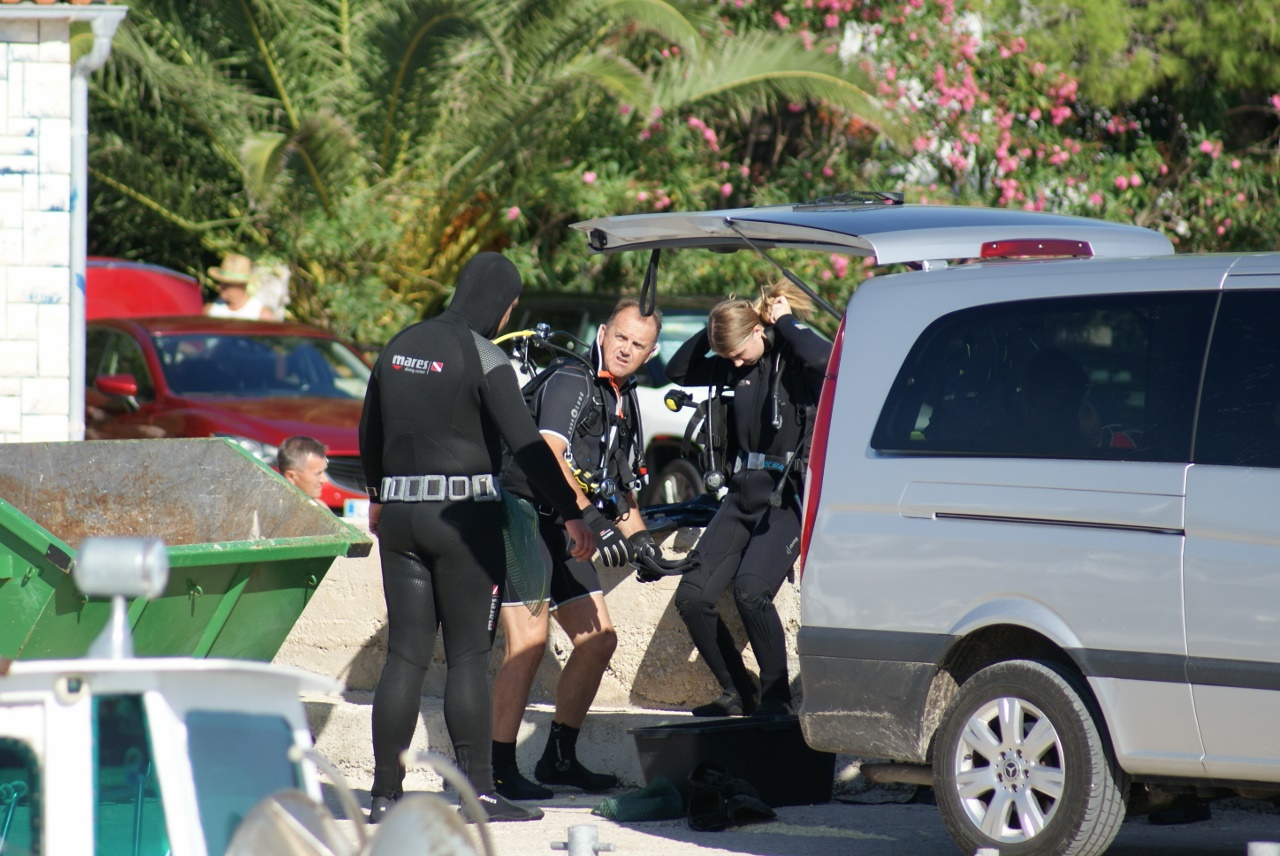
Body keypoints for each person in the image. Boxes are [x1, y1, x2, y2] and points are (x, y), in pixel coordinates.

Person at [358, 252, 596, 824]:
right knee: (467, 656)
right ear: (503, 305)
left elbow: (369, 429)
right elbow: (528, 445)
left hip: (401, 515)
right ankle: (479, 795)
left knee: (405, 656)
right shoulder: (485, 354)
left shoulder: (400, 344)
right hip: (463, 518)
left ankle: (384, 794)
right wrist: (571, 513)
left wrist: (378, 494)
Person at [491, 298, 691, 802]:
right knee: (528, 643)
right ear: (602, 333)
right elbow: (550, 454)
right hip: (522, 515)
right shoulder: (571, 380)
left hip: (565, 523)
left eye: (638, 344)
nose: (626, 349)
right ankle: (498, 768)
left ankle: (559, 758)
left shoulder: (620, 398)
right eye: (620, 337)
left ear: (650, 353)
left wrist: (641, 542)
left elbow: (617, 486)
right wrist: (594, 523)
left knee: (598, 641)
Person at [661, 280, 832, 718]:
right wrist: (717, 329)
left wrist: (784, 321)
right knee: (692, 597)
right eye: (728, 357)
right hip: (740, 494)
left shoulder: (793, 360)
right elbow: (676, 370)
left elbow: (826, 358)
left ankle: (776, 698)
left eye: (739, 353)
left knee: (751, 591)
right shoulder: (733, 366)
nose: (734, 362)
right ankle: (739, 690)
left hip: (786, 495)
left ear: (759, 330)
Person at [204, 252, 275, 320]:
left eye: (227, 284)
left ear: (242, 285)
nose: (220, 287)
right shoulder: (210, 311)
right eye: (220, 282)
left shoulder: (261, 316)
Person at [278, 435, 328, 502]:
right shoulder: (272, 505)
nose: (325, 480)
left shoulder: (319, 505)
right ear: (291, 476)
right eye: (318, 473)